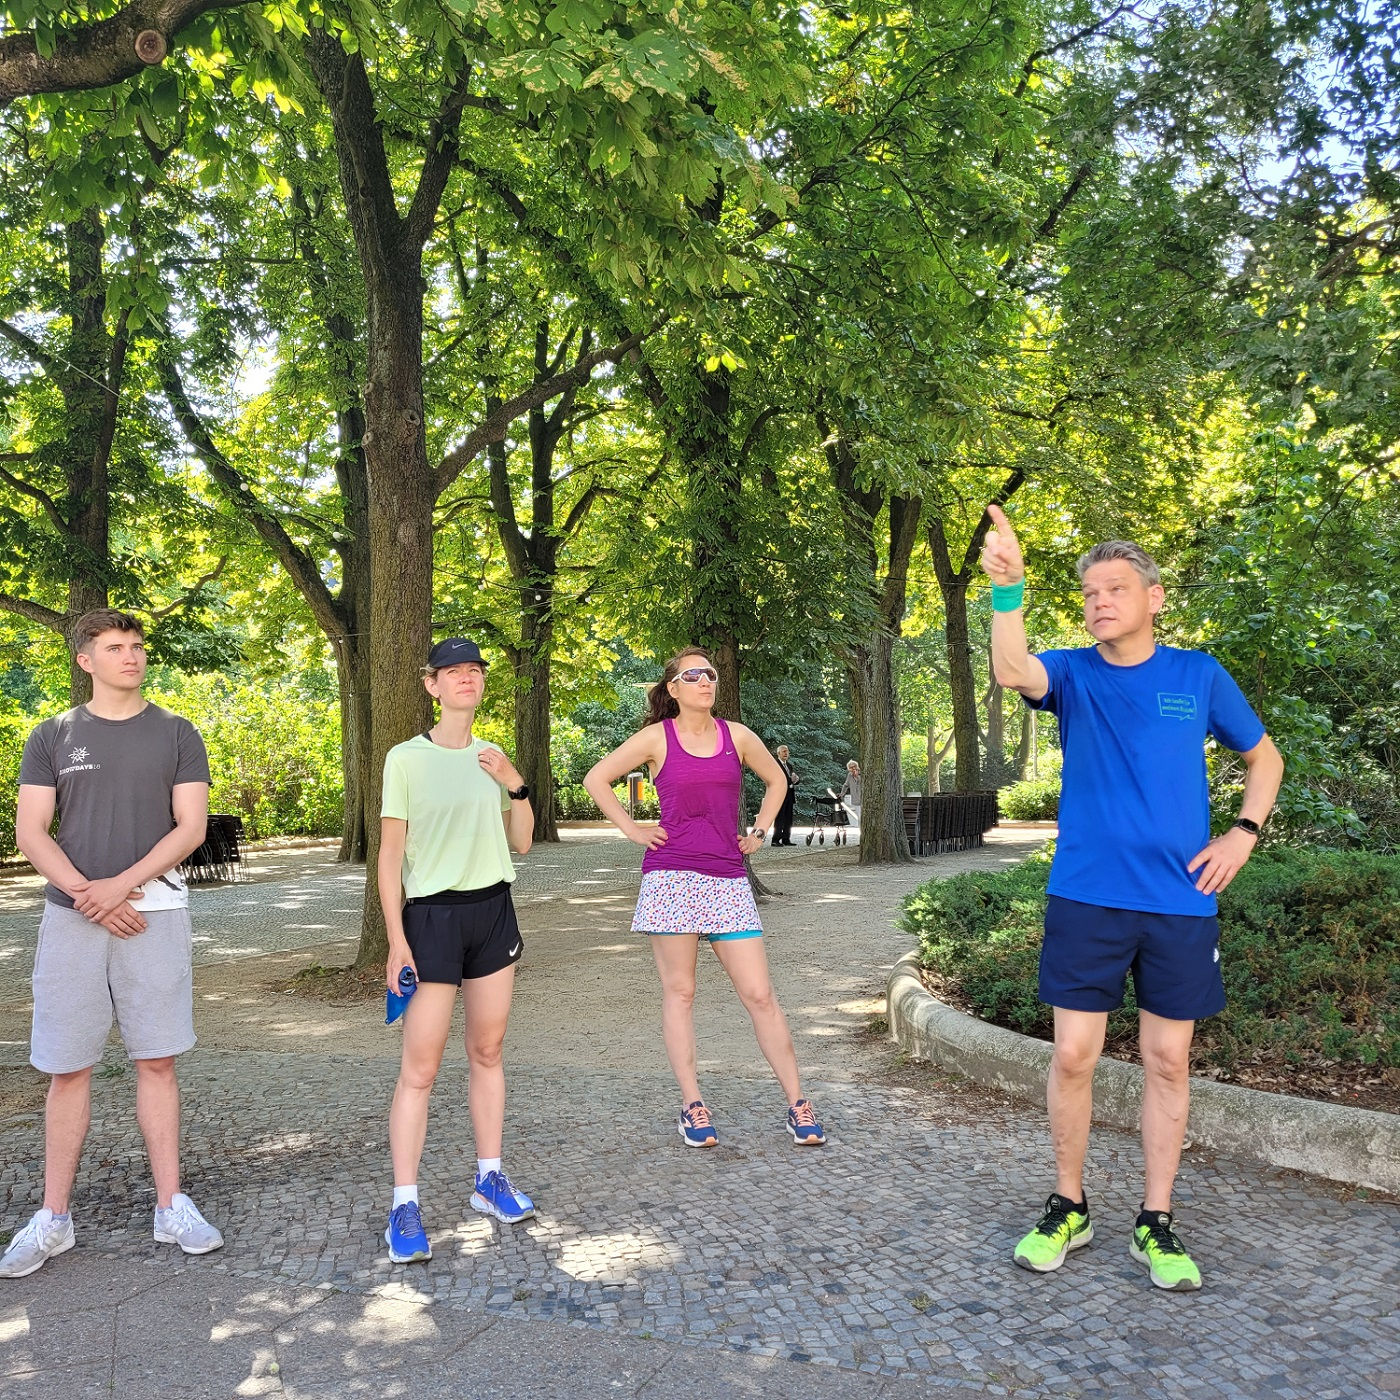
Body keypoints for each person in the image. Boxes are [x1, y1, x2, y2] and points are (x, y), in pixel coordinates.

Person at [981, 506, 1284, 1292]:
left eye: (1116, 588)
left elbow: (1265, 758)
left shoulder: (1198, 675)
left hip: (1181, 902)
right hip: (1087, 896)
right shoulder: (1074, 674)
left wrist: (1243, 834)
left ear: (1154, 598)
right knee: (1075, 1055)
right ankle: (1069, 1205)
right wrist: (1007, 591)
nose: (1099, 602)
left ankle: (1156, 1221)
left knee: (1167, 1060)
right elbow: (1014, 671)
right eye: (1088, 592)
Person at [1, 609, 222, 1279]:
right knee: (68, 1067)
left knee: (157, 1061)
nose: (131, 657)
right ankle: (54, 1219)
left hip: (155, 913)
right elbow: (32, 831)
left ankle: (170, 1204)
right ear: (85, 660)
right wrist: (85, 894)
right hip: (72, 918)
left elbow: (190, 828)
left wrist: (118, 887)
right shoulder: (52, 735)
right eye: (115, 648)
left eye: (137, 646)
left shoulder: (178, 732)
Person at [583, 649, 826, 1148]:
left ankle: (797, 1103)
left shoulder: (737, 735)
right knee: (682, 993)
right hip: (672, 879)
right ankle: (693, 1105)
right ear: (672, 688)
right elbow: (596, 778)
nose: (704, 681)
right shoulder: (657, 737)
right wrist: (631, 828)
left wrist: (759, 830)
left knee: (760, 994)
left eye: (710, 674)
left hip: (727, 879)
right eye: (692, 675)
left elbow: (777, 780)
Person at [379, 638, 536, 1265]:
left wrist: (514, 783)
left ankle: (489, 1178)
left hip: (494, 912)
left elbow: (522, 844)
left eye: (475, 671)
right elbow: (390, 856)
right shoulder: (405, 760)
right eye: (454, 673)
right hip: (432, 919)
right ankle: (404, 1205)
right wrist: (396, 942)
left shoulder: (492, 758)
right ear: (432, 686)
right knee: (420, 1066)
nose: (466, 680)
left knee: (488, 1050)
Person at [773, 745, 800, 845]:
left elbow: (793, 778)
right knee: (780, 817)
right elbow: (777, 778)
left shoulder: (789, 765)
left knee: (789, 818)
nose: (786, 753)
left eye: (787, 751)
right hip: (780, 794)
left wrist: (797, 779)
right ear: (778, 753)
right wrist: (790, 780)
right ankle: (775, 840)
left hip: (790, 794)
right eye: (783, 751)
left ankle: (786, 839)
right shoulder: (775, 764)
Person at [838, 760, 862, 828]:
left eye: (854, 766)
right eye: (851, 767)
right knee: (859, 817)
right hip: (856, 800)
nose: (853, 768)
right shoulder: (849, 775)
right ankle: (861, 831)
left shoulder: (861, 774)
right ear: (849, 768)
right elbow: (846, 785)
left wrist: (857, 776)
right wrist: (842, 794)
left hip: (864, 799)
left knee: (863, 817)